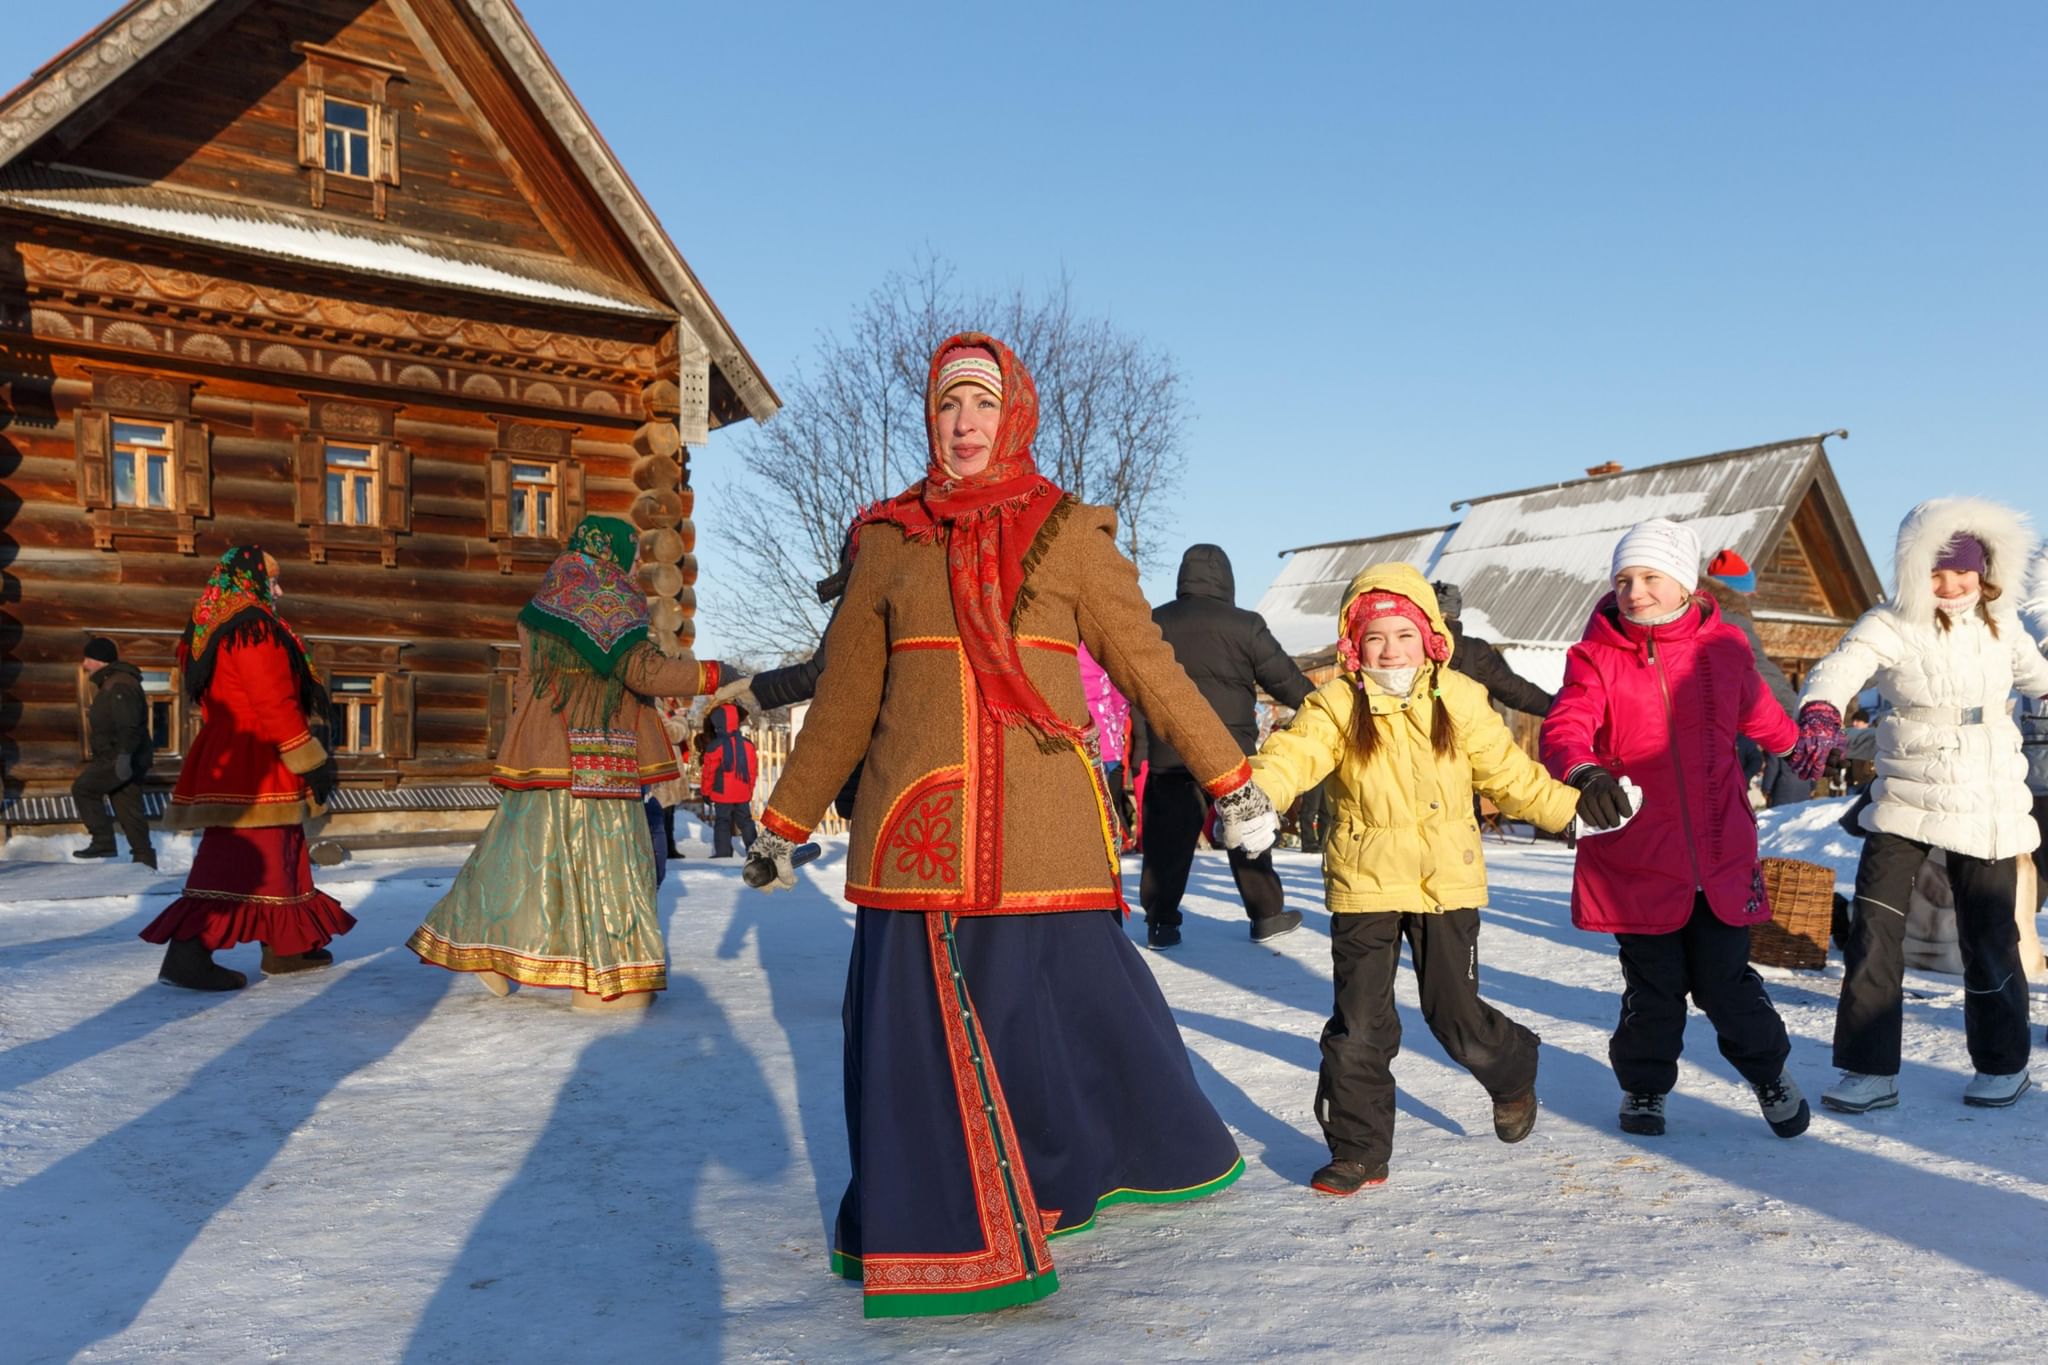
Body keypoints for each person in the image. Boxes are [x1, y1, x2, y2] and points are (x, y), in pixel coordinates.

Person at [742, 334, 1275, 1318]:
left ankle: (1078, 1173)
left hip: (1043, 833)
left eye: (982, 405)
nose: (965, 424)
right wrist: (785, 817)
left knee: (1061, 1021)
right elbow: (846, 699)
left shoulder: (1068, 532)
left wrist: (1229, 780)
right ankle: (946, 1224)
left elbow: (1150, 668)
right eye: (948, 406)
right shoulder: (890, 541)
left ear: (1014, 413)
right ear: (929, 420)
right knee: (927, 1045)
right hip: (919, 835)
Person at [1251, 565, 1595, 1194]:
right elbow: (1291, 755)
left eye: (1403, 636)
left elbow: (1509, 776)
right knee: (1360, 1024)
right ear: (1354, 644)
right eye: (1376, 637)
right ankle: (1358, 1150)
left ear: (1430, 638)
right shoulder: (1335, 704)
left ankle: (1513, 1066)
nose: (1390, 650)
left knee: (1454, 1015)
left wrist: (1573, 810)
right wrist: (1260, 797)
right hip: (1364, 884)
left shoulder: (1459, 698)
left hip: (1447, 884)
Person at [1542, 518, 1810, 1140]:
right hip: (1637, 852)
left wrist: (1801, 748)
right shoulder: (1596, 656)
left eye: (1650, 577)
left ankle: (1770, 1073)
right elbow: (1566, 726)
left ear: (1685, 583)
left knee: (1726, 983)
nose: (1635, 591)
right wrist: (1584, 773)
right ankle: (1643, 1087)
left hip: (1719, 848)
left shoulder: (1725, 649)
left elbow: (1762, 714)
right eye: (1624, 579)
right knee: (1654, 989)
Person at [1787, 498, 2048, 1111]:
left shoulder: (2002, 625)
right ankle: (1869, 1069)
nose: (1952, 585)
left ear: (1986, 573)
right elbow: (1839, 666)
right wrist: (1822, 708)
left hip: (1986, 799)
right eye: (1937, 571)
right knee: (1876, 928)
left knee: (1991, 933)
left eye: (1964, 572)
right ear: (1912, 570)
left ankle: (2003, 1063)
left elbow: (2040, 678)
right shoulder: (1891, 622)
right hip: (1905, 793)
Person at [406, 515, 727, 1008]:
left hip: (542, 759)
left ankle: (490, 952)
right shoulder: (606, 597)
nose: (635, 565)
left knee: (522, 863)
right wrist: (713, 675)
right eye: (632, 555)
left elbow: (523, 684)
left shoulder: (543, 604)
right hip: (598, 757)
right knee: (612, 868)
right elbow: (640, 670)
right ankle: (611, 983)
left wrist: (527, 743)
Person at [140, 548, 351, 990]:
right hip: (257, 758)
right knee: (240, 856)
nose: (279, 590)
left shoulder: (214, 625)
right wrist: (308, 757)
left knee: (279, 851)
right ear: (249, 582)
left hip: (238, 753)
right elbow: (273, 701)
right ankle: (190, 952)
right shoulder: (253, 629)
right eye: (271, 581)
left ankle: (287, 946)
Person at [1134, 543, 1313, 947]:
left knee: (1166, 840)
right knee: (1245, 829)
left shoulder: (1153, 622)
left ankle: (1161, 922)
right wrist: (1321, 706)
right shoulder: (1245, 625)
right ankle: (1266, 915)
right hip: (1230, 751)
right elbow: (1285, 681)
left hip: (1169, 749)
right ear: (1227, 579)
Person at [1698, 549, 1811, 808]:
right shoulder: (1730, 619)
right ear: (1733, 591)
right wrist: (1803, 714)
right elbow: (1762, 673)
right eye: (1749, 592)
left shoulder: (1694, 611)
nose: (1753, 597)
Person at [72, 636, 157, 869]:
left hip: (120, 755)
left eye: (88, 658)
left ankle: (103, 841)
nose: (85, 664)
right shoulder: (114, 682)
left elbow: (128, 724)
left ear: (99, 660)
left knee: (84, 789)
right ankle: (144, 860)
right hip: (125, 755)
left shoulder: (119, 685)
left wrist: (124, 756)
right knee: (127, 807)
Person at [1430, 581, 1553, 717]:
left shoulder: (1409, 646)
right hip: (1466, 733)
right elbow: (1514, 690)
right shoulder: (1473, 651)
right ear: (1456, 612)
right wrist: (1558, 706)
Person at [1077, 642, 1136, 847]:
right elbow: (1120, 698)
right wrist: (1117, 733)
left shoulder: (1062, 644)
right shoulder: (1098, 646)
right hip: (1105, 743)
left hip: (1073, 742)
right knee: (1106, 822)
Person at [698, 701, 759, 858]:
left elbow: (709, 773)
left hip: (722, 793)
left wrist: (706, 792)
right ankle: (756, 852)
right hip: (742, 793)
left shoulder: (715, 746)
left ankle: (723, 853)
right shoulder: (748, 745)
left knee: (722, 822)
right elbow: (753, 772)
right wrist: (749, 790)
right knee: (746, 822)